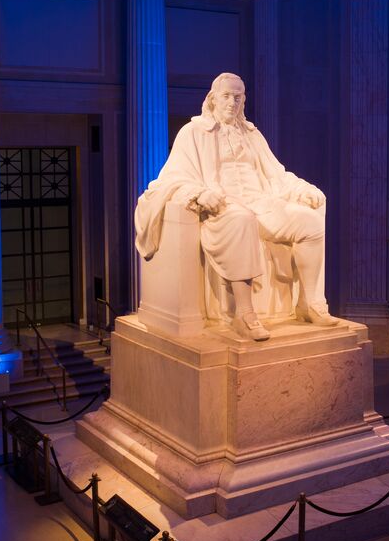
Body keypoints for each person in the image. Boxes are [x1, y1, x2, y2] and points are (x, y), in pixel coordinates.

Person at [134, 72, 338, 341]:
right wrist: (198, 193)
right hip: (223, 206)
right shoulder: (193, 133)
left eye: (238, 97)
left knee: (309, 222)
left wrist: (302, 189)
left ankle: (309, 303)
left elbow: (277, 173)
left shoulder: (253, 135)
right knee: (242, 220)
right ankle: (244, 313)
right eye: (227, 96)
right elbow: (172, 177)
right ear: (213, 99)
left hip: (261, 202)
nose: (233, 102)